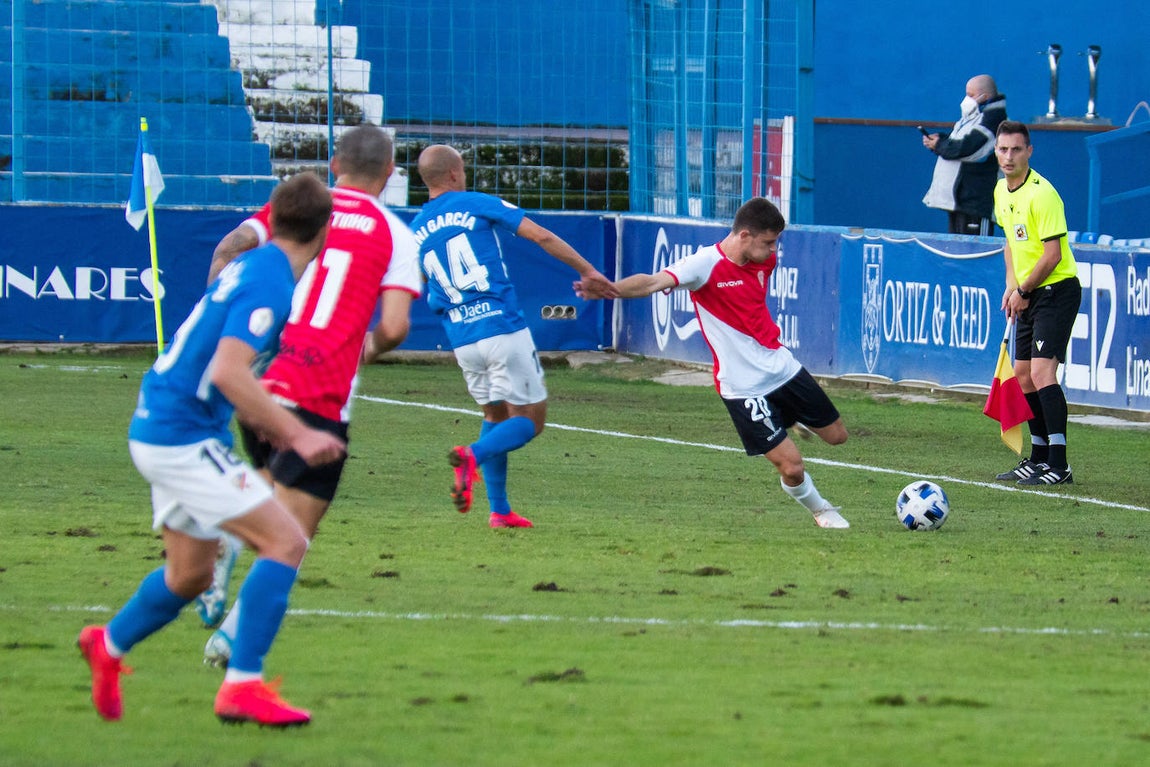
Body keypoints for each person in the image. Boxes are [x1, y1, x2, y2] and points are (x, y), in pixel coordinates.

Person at [77, 173, 345, 727]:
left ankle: (109, 644)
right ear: (326, 230)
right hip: (181, 435)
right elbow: (227, 371)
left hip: (163, 423)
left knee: (190, 576)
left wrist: (261, 411)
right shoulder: (271, 281)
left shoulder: (253, 263)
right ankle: (242, 686)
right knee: (286, 541)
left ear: (270, 218)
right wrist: (298, 433)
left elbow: (221, 368)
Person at [198, 124, 424, 666]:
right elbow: (394, 327)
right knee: (292, 539)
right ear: (390, 174)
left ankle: (228, 539)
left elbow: (230, 249)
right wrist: (359, 347)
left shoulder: (298, 207)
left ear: (333, 164)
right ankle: (233, 640)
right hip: (320, 393)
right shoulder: (395, 234)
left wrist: (226, 320)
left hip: (264, 381)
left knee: (269, 498)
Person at [577, 197, 850, 529]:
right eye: (769, 242)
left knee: (838, 437)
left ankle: (787, 416)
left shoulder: (765, 261)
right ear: (745, 235)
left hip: (782, 367)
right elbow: (651, 282)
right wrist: (611, 290)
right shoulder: (703, 265)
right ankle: (822, 510)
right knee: (792, 466)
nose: (774, 250)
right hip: (742, 387)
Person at [409, 144, 616, 528]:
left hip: (462, 338)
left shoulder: (416, 228)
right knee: (530, 421)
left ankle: (499, 510)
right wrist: (589, 271)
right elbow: (541, 237)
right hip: (501, 327)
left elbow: (416, 281)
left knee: (495, 414)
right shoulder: (475, 203)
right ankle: (473, 455)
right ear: (455, 173)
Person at [991, 120, 1080, 485]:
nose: (1008, 157)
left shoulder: (1042, 194)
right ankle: (1039, 457)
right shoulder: (1000, 191)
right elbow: (1011, 244)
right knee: (1024, 376)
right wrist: (1012, 288)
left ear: (1029, 151)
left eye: (1015, 150)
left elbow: (1053, 255)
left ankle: (1060, 464)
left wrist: (1024, 291)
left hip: (1055, 291)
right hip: (1028, 293)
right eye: (1002, 149)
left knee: (1043, 373)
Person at [922, 74, 1008, 235]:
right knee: (956, 252)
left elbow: (970, 149)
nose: (966, 100)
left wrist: (939, 145)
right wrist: (941, 139)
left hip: (976, 204)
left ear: (986, 96)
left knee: (975, 254)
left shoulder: (994, 121)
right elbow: (958, 143)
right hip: (960, 202)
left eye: (971, 95)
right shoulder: (973, 118)